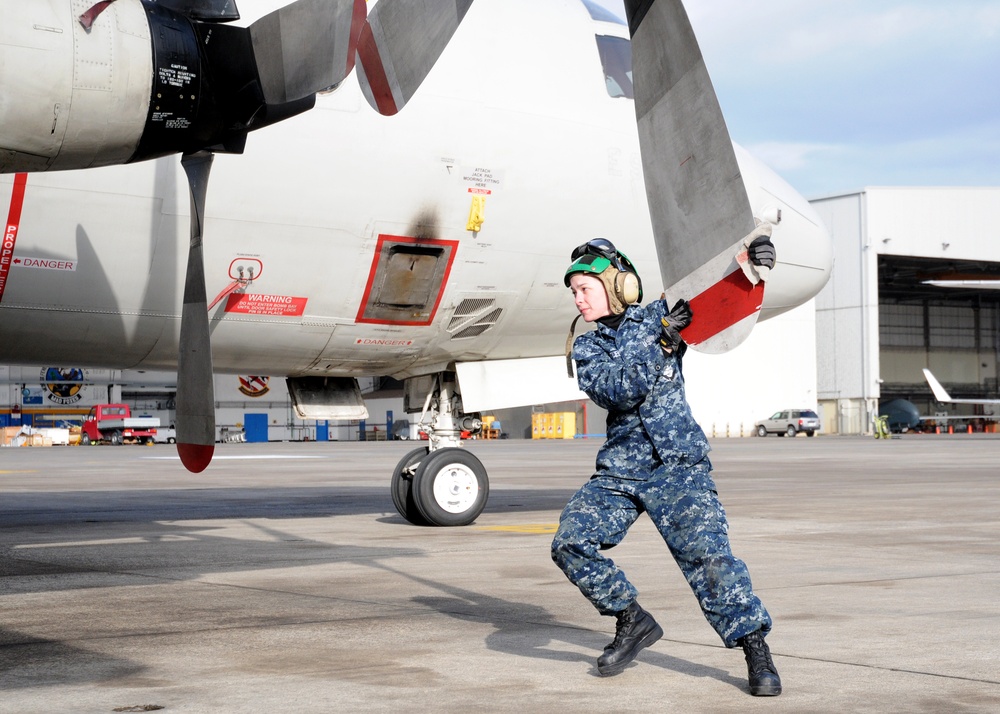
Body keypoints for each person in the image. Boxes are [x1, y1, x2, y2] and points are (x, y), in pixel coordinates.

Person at [551, 237, 781, 696]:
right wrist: (661, 343)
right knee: (570, 542)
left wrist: (753, 261)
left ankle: (756, 650)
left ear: (619, 285)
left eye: (585, 288)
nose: (578, 298)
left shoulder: (662, 314)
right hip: (620, 471)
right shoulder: (588, 347)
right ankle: (631, 620)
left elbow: (717, 295)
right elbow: (618, 391)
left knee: (711, 561)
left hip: (678, 466)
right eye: (573, 291)